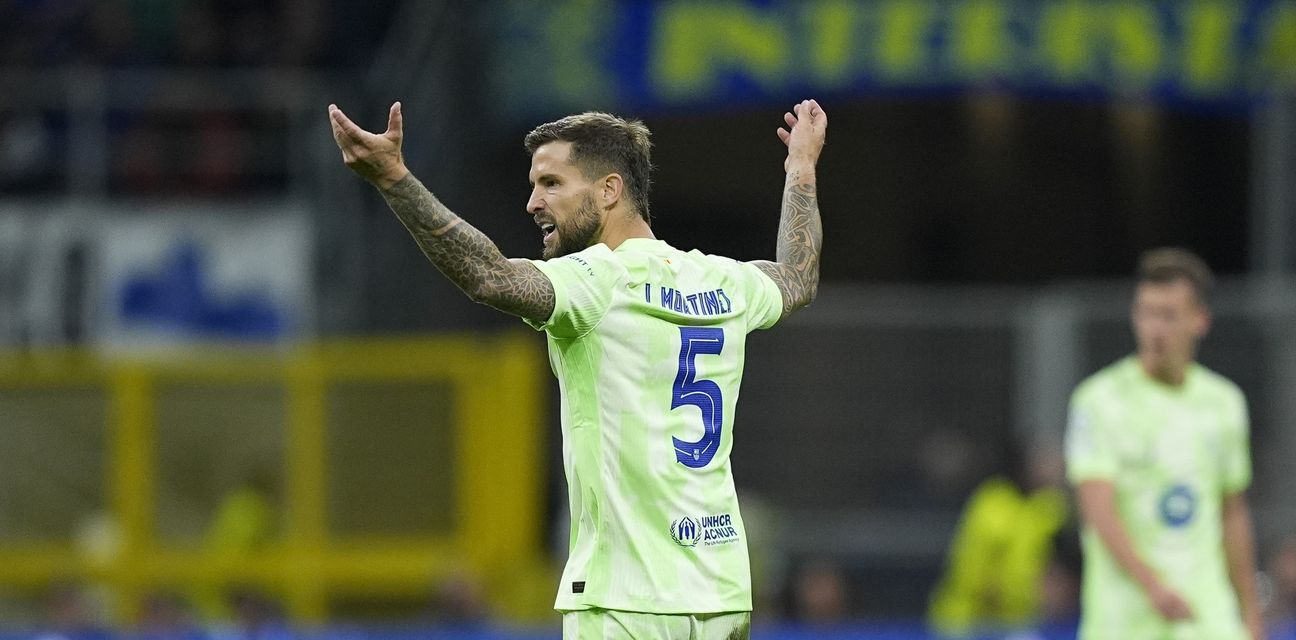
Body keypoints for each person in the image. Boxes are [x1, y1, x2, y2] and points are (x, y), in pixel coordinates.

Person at [327, 99, 826, 639]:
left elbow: (488, 277)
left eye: (551, 183)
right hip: (719, 595)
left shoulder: (598, 280)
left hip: (626, 602)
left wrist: (394, 179)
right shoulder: (720, 281)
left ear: (609, 190)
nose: (532, 203)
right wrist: (801, 167)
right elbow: (797, 278)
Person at [1065, 248, 1265, 640]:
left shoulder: (1224, 402)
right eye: (1146, 313)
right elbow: (1097, 509)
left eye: (1169, 315)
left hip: (1206, 619)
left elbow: (1232, 513)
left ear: (1199, 320)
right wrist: (1153, 587)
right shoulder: (1099, 400)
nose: (1155, 328)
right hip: (1125, 621)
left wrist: (1251, 616)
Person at [926, 441, 1069, 637]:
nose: (1052, 469)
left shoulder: (1051, 507)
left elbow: (1056, 565)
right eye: (1044, 461)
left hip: (1023, 622)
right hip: (968, 622)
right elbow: (973, 573)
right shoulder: (994, 502)